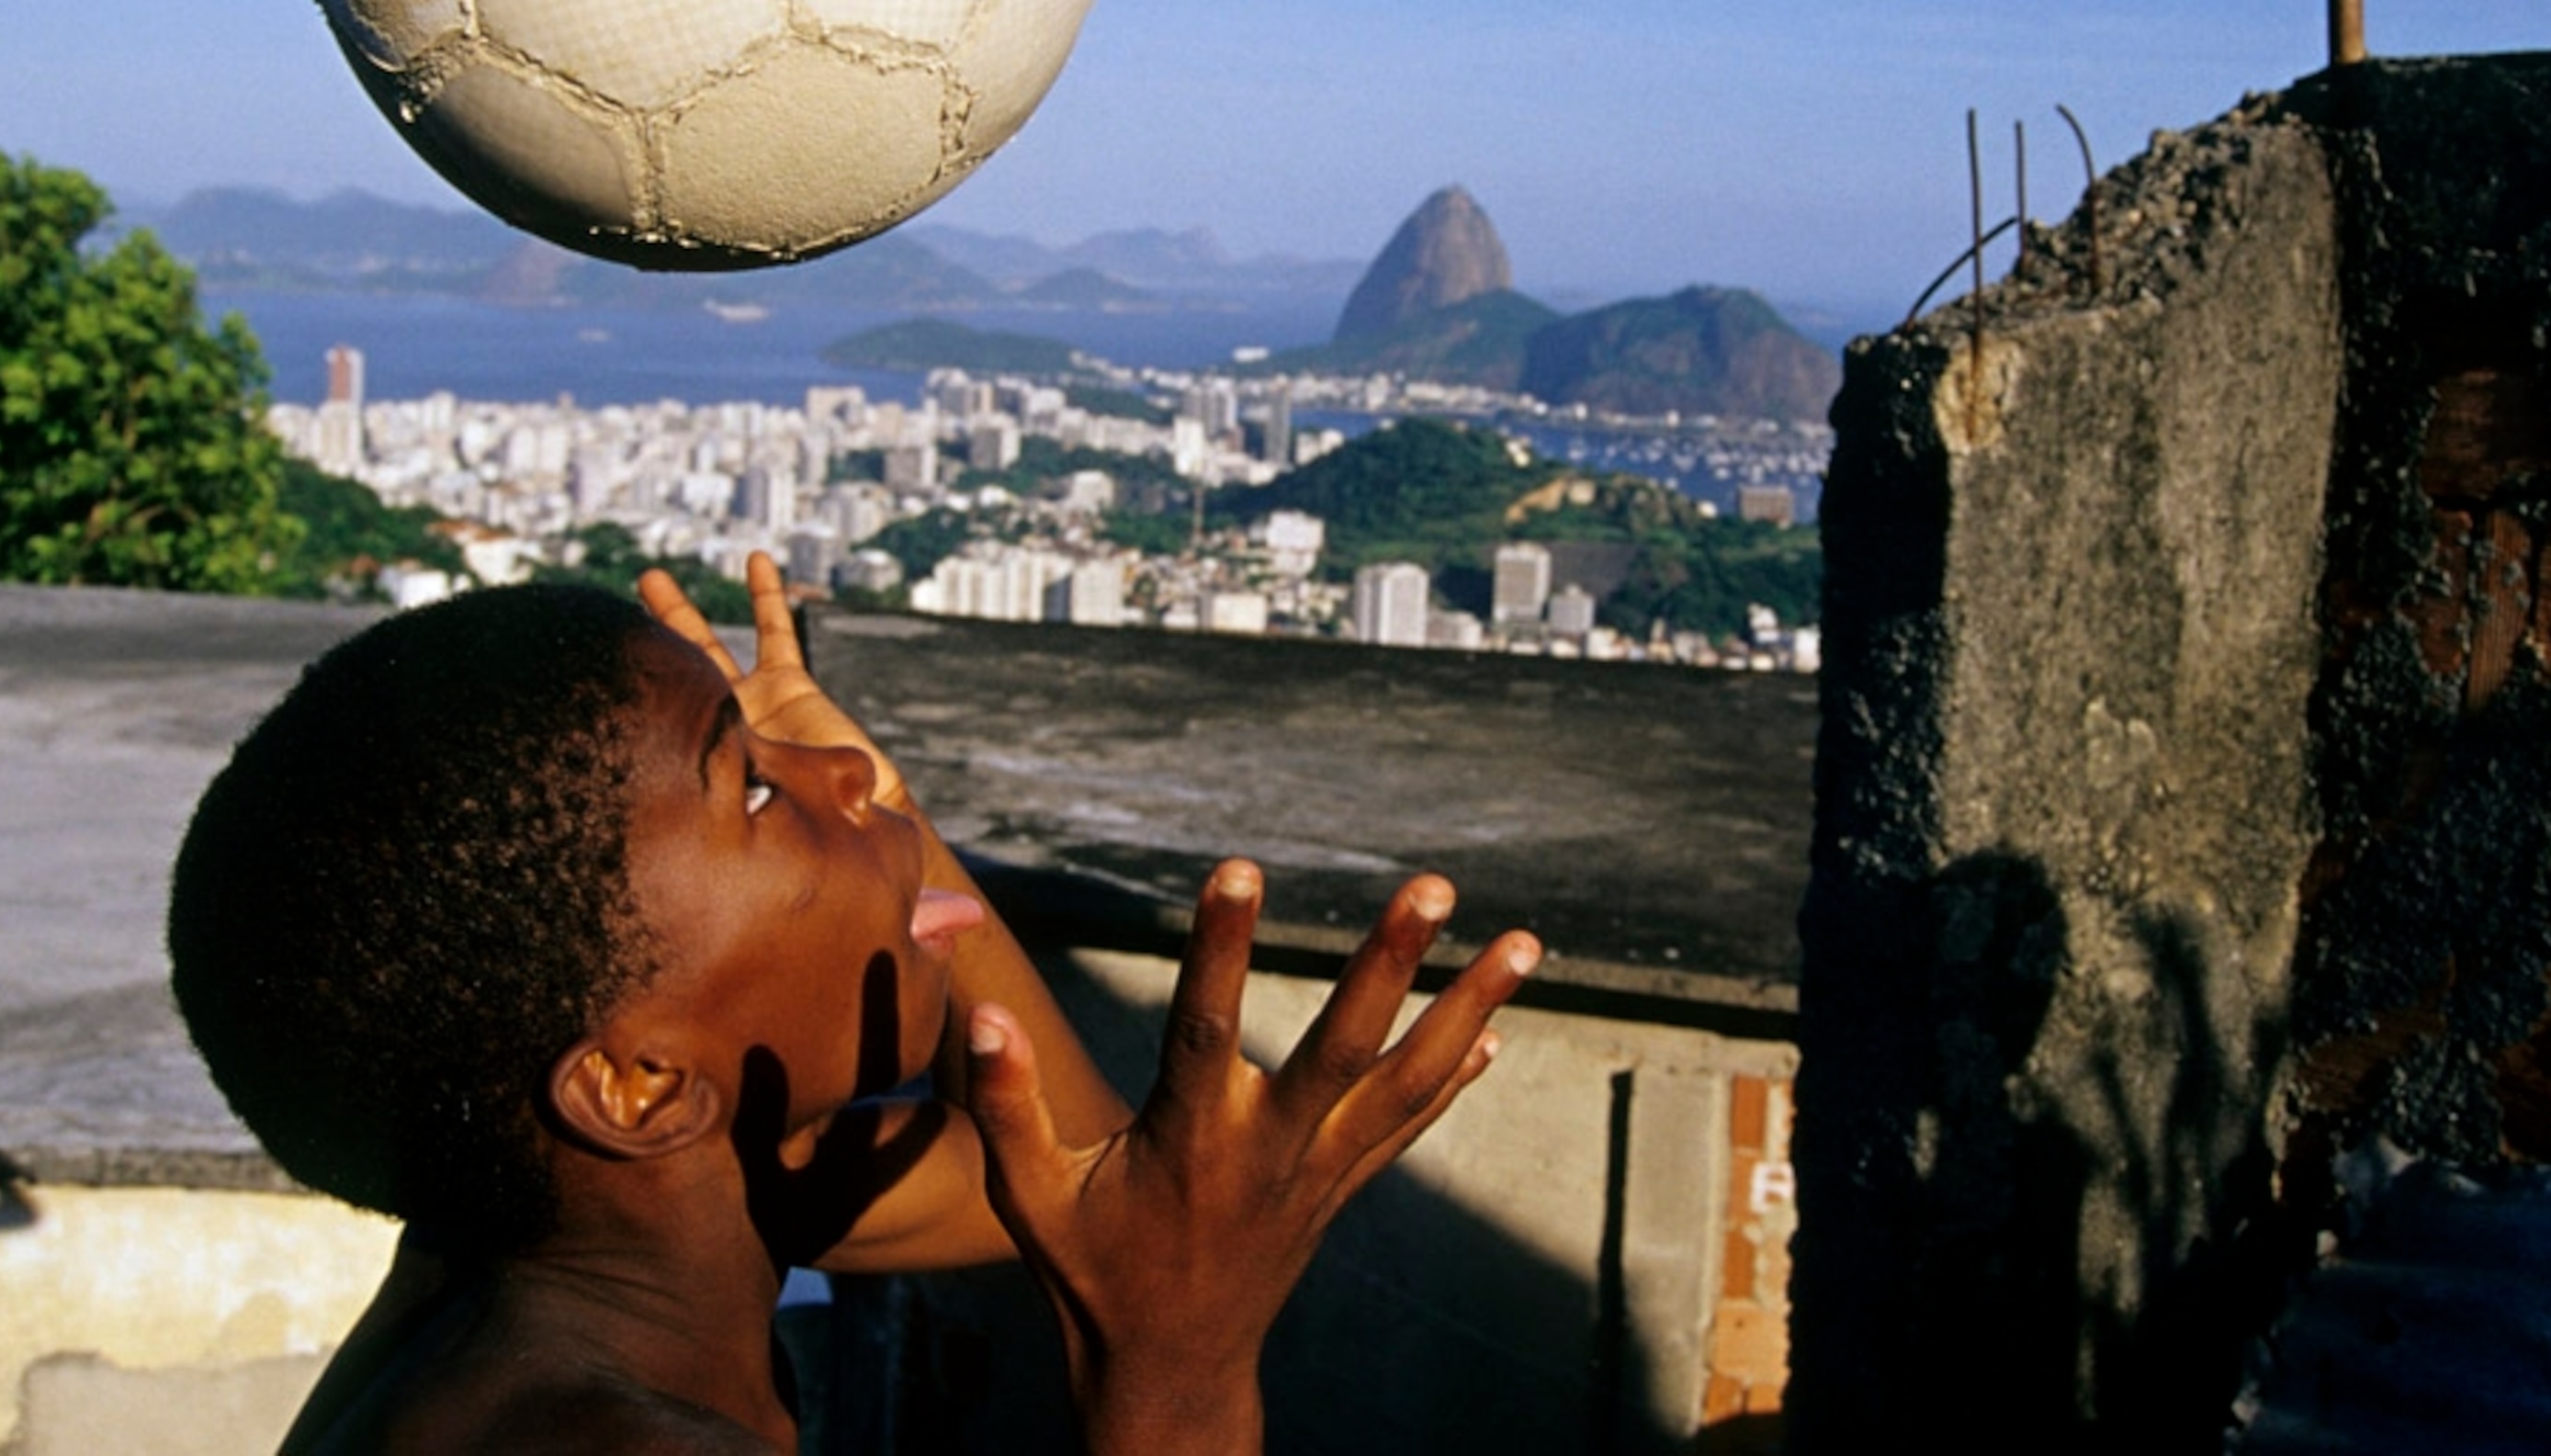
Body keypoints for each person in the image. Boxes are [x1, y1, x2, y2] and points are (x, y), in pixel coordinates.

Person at [169, 555, 1541, 1452]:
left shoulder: (579, 1227)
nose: (850, 779)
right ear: (639, 1083)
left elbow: (1083, 1178)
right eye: (756, 786)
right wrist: (1178, 1370)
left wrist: (900, 851)